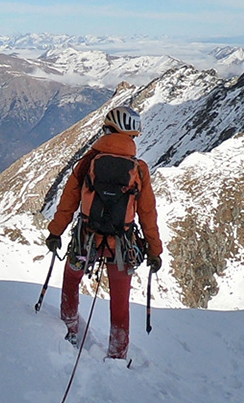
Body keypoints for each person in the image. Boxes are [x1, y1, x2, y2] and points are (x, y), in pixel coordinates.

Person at [45, 105, 164, 360]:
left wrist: (55, 232)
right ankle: (117, 356)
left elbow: (68, 201)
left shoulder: (88, 162)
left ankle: (70, 330)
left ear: (108, 129)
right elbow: (147, 213)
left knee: (71, 280)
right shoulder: (139, 169)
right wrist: (154, 250)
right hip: (122, 245)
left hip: (86, 240)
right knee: (120, 302)